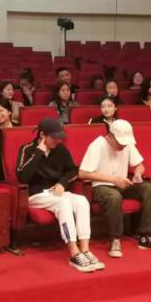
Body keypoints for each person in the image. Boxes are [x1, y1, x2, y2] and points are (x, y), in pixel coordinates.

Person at [16, 117, 102, 273]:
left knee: (82, 201)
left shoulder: (60, 149)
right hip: (35, 195)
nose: (58, 140)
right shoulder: (27, 149)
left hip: (55, 192)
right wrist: (39, 152)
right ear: (42, 135)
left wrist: (62, 183)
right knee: (63, 204)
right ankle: (74, 253)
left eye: (60, 137)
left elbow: (73, 170)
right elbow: (22, 177)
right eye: (55, 137)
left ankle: (85, 250)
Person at [79, 119, 151, 257]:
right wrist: (113, 179)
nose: (123, 146)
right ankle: (115, 239)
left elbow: (140, 165)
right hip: (102, 186)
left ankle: (147, 237)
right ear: (111, 136)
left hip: (123, 183)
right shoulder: (97, 145)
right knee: (114, 197)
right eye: (120, 143)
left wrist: (138, 173)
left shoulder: (127, 145)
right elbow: (83, 173)